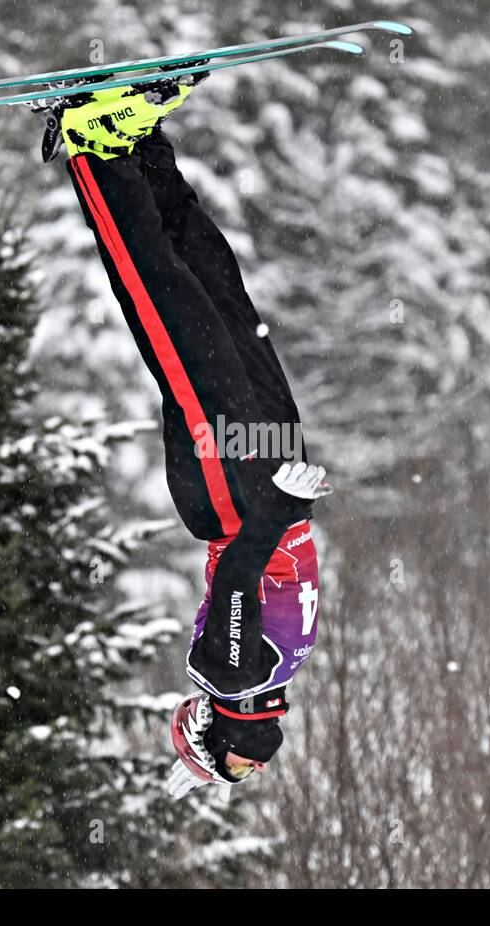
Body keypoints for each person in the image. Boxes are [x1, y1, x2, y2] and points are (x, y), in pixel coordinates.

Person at [56, 80, 330, 798]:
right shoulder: (273, 674)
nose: (254, 762)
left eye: (235, 763)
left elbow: (241, 573)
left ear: (214, 729)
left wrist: (278, 503)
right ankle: (142, 150)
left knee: (169, 309)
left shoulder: (228, 674)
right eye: (245, 771)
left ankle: (92, 149)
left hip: (235, 495)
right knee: (221, 297)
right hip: (273, 478)